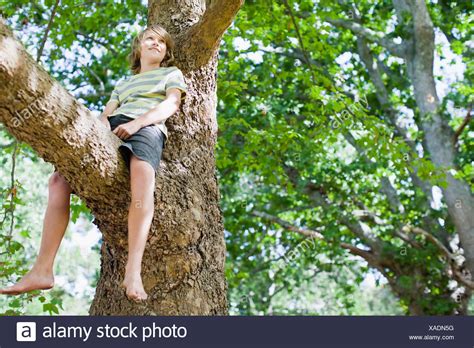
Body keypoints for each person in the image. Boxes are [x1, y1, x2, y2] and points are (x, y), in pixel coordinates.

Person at [0, 25, 186, 301]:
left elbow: (170, 105)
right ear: (139, 48)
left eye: (162, 42)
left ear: (167, 52)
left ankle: (132, 272)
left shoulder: (170, 74)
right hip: (114, 128)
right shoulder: (124, 84)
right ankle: (42, 269)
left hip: (147, 127)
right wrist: (94, 134)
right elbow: (106, 115)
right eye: (150, 39)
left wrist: (137, 123)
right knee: (58, 180)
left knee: (142, 179)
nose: (156, 44)